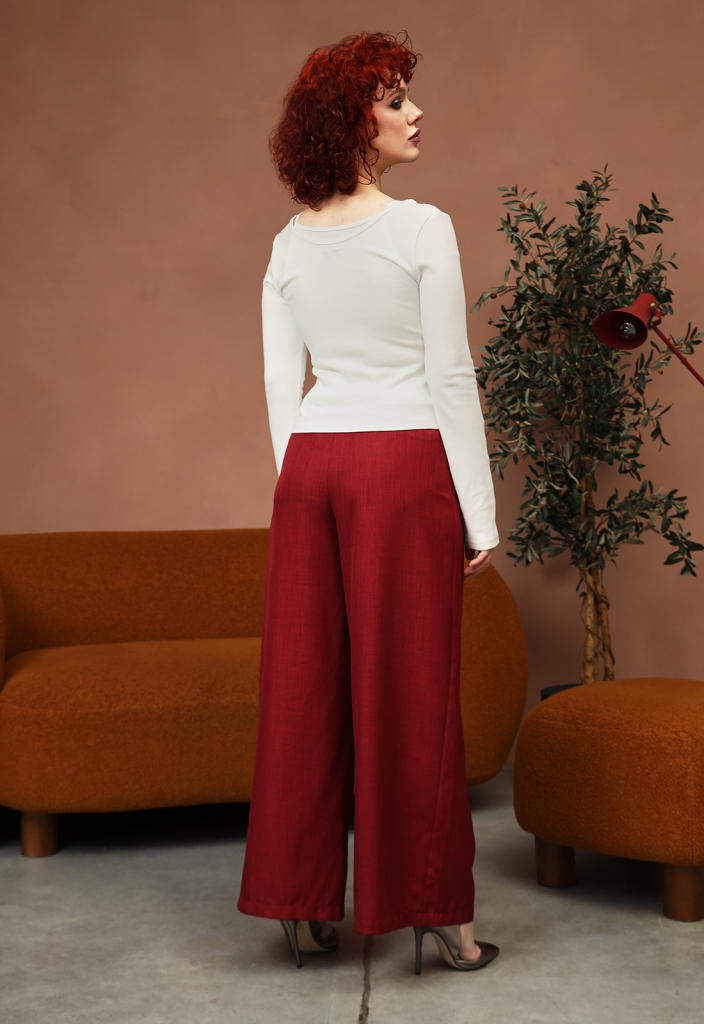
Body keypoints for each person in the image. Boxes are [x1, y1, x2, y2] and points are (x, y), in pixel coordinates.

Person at [237, 31, 500, 974]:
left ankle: (301, 905)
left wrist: (300, 485)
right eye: (393, 100)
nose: (414, 112)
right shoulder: (421, 227)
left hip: (311, 469)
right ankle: (437, 914)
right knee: (413, 690)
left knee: (304, 689)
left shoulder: (288, 242)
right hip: (402, 464)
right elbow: (449, 374)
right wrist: (479, 512)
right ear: (353, 121)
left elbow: (282, 381)